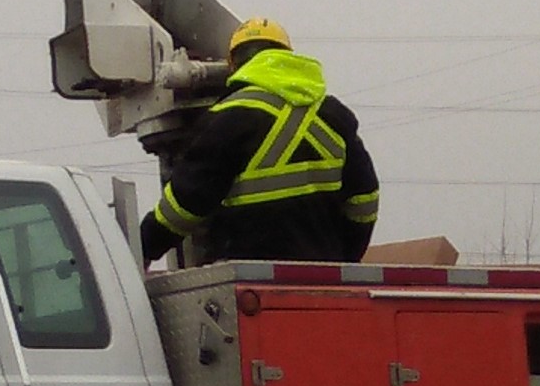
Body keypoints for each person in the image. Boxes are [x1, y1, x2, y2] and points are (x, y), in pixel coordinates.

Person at [140, 19, 381, 266]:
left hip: (250, 277)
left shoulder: (227, 117)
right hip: (323, 276)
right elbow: (364, 200)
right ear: (287, 56)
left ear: (232, 65)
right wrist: (345, 257)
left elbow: (185, 204)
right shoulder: (334, 115)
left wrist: (144, 246)